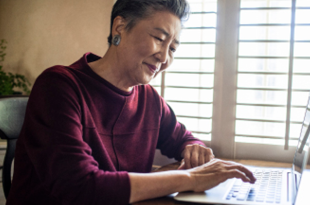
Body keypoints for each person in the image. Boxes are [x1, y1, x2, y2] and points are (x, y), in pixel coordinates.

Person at [7, 0, 256, 204]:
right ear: (120, 28)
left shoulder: (149, 100)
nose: (164, 57)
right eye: (159, 38)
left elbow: (183, 138)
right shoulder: (59, 86)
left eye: (172, 49)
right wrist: (190, 178)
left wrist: (194, 148)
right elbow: (81, 187)